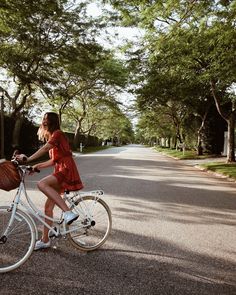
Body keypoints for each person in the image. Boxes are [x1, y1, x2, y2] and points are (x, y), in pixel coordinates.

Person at [16, 112, 84, 250]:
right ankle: (45, 240)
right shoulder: (53, 136)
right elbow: (53, 160)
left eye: (47, 120)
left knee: (42, 184)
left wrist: (28, 159)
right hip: (60, 168)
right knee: (48, 208)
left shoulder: (58, 134)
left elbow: (46, 148)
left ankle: (67, 212)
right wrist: (36, 166)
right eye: (43, 119)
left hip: (66, 169)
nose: (44, 122)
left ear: (53, 121)